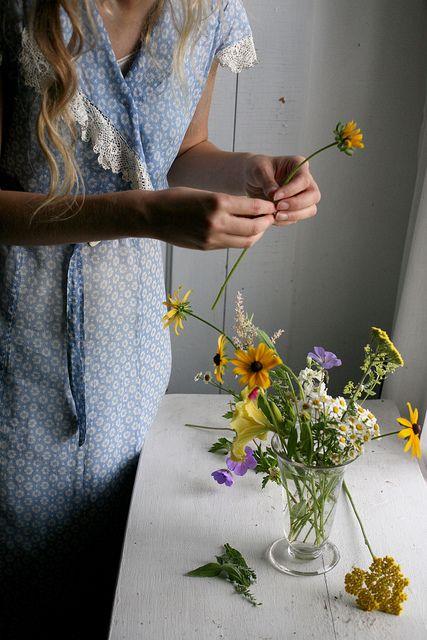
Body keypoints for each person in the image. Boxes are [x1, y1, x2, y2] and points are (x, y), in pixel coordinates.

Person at [0, 1, 320, 638]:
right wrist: (144, 214)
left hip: (131, 356)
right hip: (19, 352)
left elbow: (183, 149)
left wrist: (249, 172)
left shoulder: (206, 11)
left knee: (123, 585)